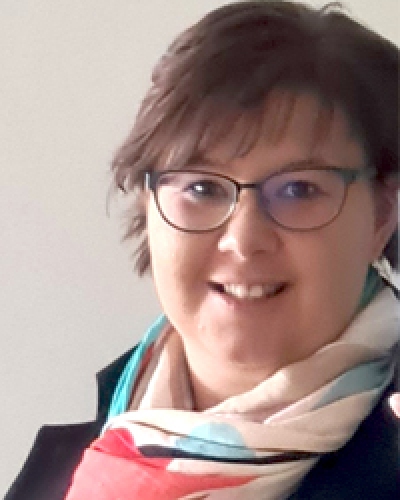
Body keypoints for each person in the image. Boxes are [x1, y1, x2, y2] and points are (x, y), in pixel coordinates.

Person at [5, 1, 399, 499]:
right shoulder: (58, 470)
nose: (244, 240)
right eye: (201, 188)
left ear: (381, 216)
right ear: (148, 205)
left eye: (299, 189)